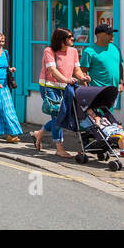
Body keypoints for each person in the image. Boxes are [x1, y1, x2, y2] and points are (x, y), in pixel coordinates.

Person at [32, 27, 86, 156]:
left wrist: (82, 77)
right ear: (61, 39)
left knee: (63, 115)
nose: (73, 39)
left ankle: (39, 133)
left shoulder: (73, 51)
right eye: (69, 37)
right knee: (57, 115)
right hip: (49, 86)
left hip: (65, 87)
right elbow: (52, 70)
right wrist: (66, 79)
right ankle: (59, 148)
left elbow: (77, 69)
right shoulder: (49, 51)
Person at [79, 24, 124, 92]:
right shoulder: (89, 51)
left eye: (112, 33)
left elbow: (119, 66)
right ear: (98, 35)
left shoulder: (115, 48)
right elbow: (82, 71)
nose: (112, 36)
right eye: (108, 33)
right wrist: (87, 89)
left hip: (114, 90)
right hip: (97, 91)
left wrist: (121, 83)